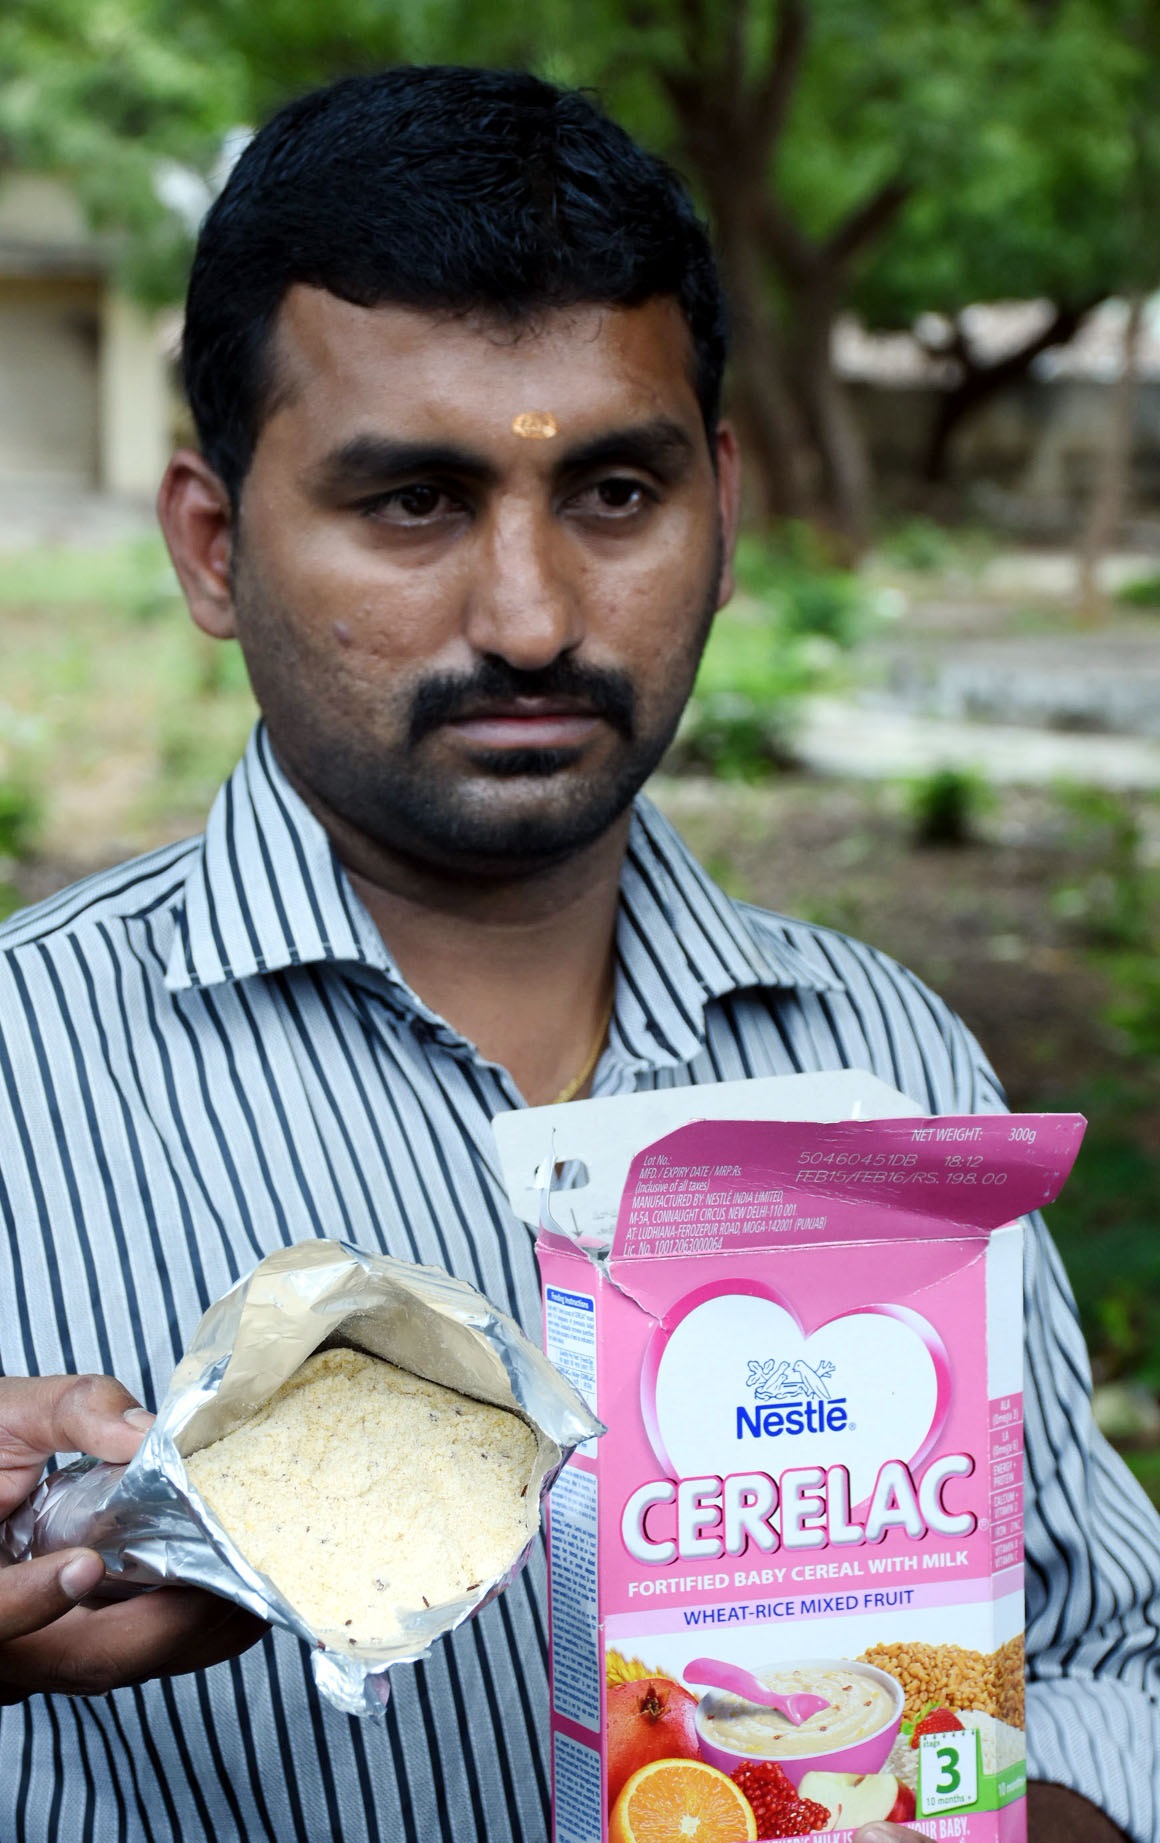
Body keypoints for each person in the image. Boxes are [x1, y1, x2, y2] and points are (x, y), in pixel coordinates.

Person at [0, 65, 1152, 1843]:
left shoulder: (886, 1060)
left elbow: (1100, 1663)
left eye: (614, 493)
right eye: (411, 504)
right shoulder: (19, 1074)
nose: (532, 616)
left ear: (723, 506)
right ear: (216, 546)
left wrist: (966, 1803)